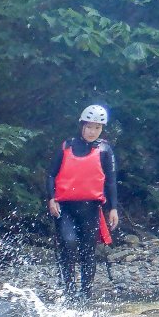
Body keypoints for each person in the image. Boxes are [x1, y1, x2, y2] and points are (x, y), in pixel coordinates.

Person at [47, 105, 119, 296]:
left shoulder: (105, 150)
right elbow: (51, 174)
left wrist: (113, 208)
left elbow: (111, 181)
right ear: (82, 126)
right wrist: (52, 198)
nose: (92, 131)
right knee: (68, 243)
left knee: (88, 250)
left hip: (91, 208)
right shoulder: (67, 146)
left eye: (97, 128)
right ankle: (69, 289)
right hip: (65, 208)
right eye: (89, 127)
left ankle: (86, 291)